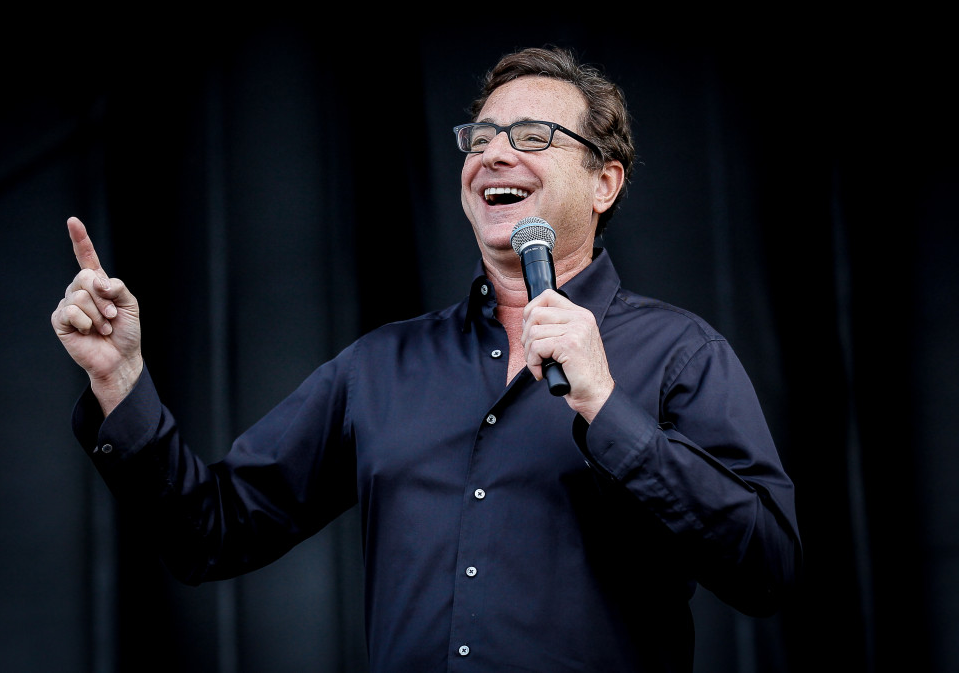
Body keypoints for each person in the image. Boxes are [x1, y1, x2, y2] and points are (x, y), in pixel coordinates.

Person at [52, 46, 801, 672]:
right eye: (480, 139)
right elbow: (209, 532)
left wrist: (608, 409)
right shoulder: (382, 365)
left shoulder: (680, 354)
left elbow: (766, 567)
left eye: (534, 135)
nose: (495, 153)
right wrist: (120, 381)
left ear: (605, 182)